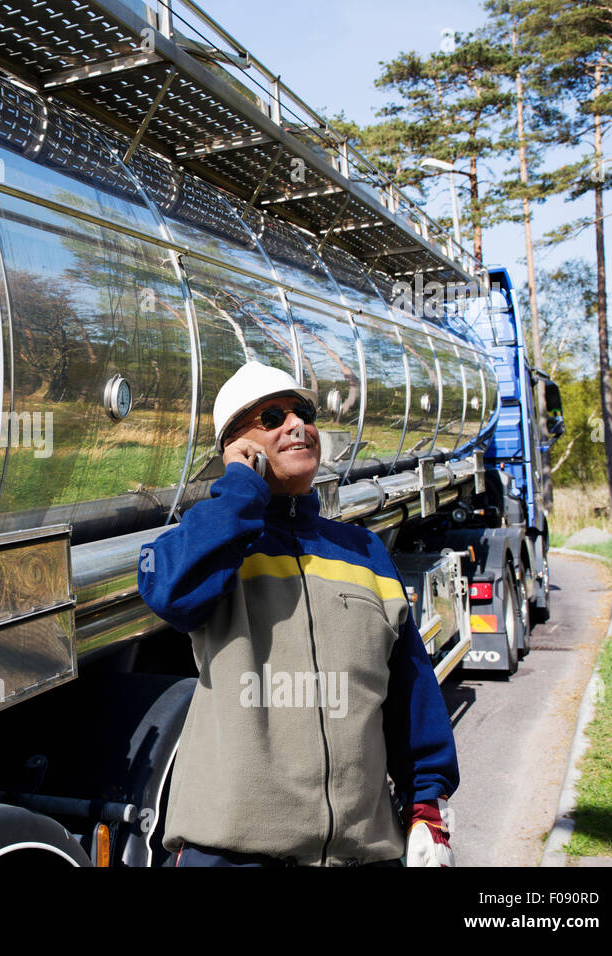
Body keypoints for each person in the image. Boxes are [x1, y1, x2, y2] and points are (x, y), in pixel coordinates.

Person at [138, 361, 457, 867]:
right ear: (235, 446)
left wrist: (426, 809)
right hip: (233, 854)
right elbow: (172, 593)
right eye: (271, 416)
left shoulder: (364, 551)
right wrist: (241, 488)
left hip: (362, 852)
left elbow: (410, 688)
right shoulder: (214, 542)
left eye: (302, 412)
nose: (296, 425)